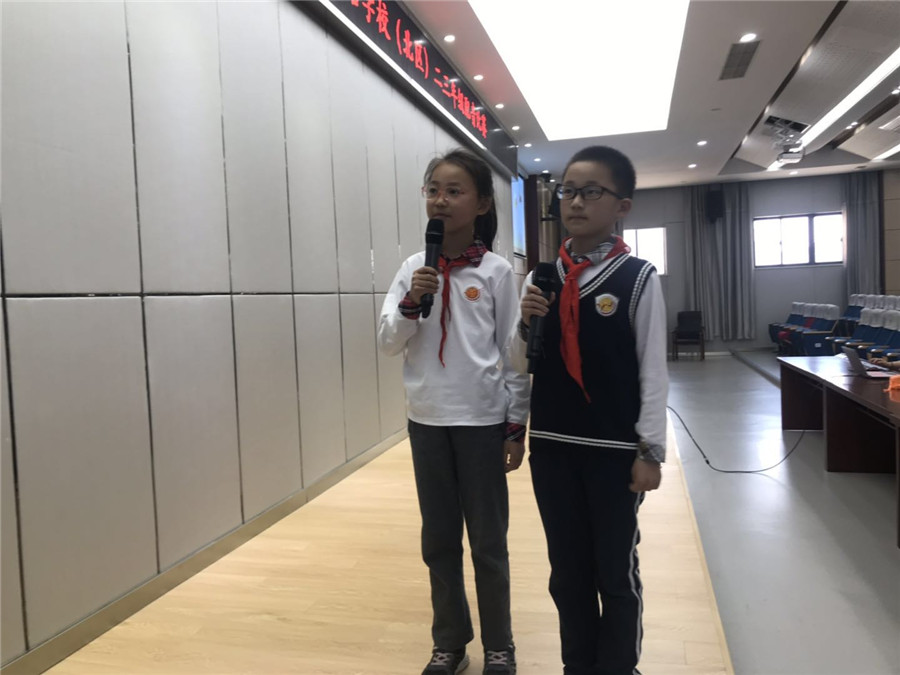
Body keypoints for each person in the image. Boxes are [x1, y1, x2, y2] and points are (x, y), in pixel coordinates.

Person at [510, 146, 668, 675]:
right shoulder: (541, 278)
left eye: (591, 192)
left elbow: (653, 371)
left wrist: (650, 450)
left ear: (621, 206)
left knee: (614, 574)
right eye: (568, 191)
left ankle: (619, 667)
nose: (575, 202)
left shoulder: (637, 278)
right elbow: (519, 364)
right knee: (567, 574)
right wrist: (525, 325)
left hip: (614, 451)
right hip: (552, 448)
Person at [378, 148, 529, 675]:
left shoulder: (496, 272)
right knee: (439, 541)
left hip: (483, 423)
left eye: (454, 191)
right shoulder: (411, 269)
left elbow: (514, 355)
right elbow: (387, 342)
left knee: (488, 544)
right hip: (427, 422)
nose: (441, 200)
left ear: (482, 203)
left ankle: (500, 646)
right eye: (434, 190)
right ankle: (450, 644)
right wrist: (410, 303)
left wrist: (516, 425)